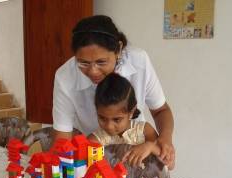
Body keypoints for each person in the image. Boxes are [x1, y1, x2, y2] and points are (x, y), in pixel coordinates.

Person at [52, 15, 175, 169]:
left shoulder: (139, 61)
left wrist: (164, 140)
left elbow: (161, 110)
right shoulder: (65, 77)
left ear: (118, 49)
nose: (93, 71)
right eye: (83, 63)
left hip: (139, 156)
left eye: (101, 62)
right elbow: (62, 141)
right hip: (99, 158)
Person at [87, 73, 174, 170]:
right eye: (102, 118)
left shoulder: (144, 130)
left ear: (131, 112)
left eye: (116, 119)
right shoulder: (95, 139)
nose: (109, 126)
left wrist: (150, 147)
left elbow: (170, 165)